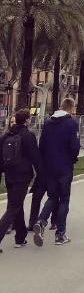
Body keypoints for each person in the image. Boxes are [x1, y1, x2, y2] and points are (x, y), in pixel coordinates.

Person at [32, 100, 80, 247]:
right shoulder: (71, 123)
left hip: (49, 167)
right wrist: (72, 159)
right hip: (64, 166)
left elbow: (42, 146)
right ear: (71, 109)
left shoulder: (47, 123)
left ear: (60, 107)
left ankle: (41, 221)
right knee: (64, 200)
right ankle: (60, 234)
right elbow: (74, 146)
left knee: (52, 197)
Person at [0, 108, 42, 253]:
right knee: (13, 208)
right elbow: (35, 158)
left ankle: (20, 237)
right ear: (27, 120)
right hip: (22, 177)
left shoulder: (5, 136)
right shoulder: (27, 136)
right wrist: (41, 175)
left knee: (16, 205)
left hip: (9, 177)